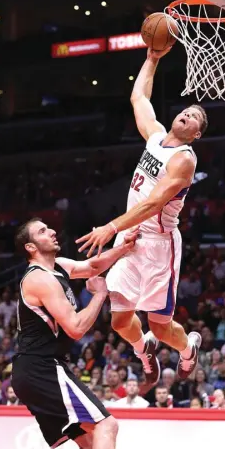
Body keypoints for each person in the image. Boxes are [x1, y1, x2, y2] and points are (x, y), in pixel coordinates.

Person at [76, 48, 208, 387]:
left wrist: (110, 226)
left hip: (158, 244)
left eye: (196, 118)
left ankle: (189, 348)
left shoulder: (184, 159)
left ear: (196, 134)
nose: (188, 115)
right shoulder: (154, 136)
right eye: (188, 111)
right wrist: (152, 57)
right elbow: (139, 97)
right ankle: (142, 348)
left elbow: (152, 204)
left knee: (160, 324)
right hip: (129, 237)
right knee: (120, 322)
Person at [11, 218, 138, 449]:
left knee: (90, 443)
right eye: (43, 231)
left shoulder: (57, 268)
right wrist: (100, 295)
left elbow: (92, 267)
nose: (53, 231)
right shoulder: (39, 279)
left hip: (36, 369)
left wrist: (123, 248)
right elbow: (77, 328)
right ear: (31, 247)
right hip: (40, 367)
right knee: (107, 425)